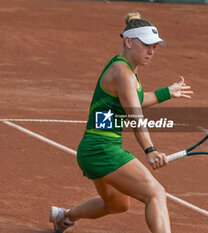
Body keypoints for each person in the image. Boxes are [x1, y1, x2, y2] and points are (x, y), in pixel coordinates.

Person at [49, 12, 193, 233]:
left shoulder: (125, 70)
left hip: (94, 149)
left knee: (117, 205)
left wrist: (168, 92)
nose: (151, 52)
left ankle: (65, 217)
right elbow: (135, 115)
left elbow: (137, 99)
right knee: (156, 192)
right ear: (128, 41)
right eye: (147, 46)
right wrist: (150, 150)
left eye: (154, 47)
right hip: (102, 148)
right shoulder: (123, 73)